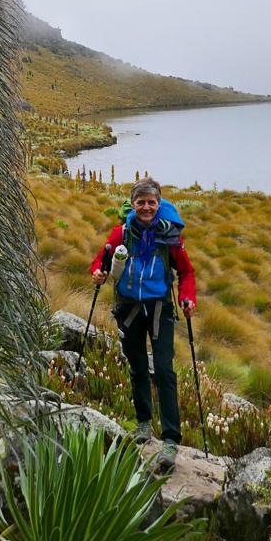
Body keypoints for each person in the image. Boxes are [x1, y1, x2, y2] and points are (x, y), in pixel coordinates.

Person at [90, 177, 196, 473]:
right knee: (137, 366)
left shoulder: (169, 236)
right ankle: (143, 425)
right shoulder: (122, 233)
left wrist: (187, 298)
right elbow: (101, 260)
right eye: (141, 202)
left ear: (158, 204)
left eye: (151, 202)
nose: (146, 207)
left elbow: (187, 272)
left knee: (163, 371)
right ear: (133, 204)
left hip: (160, 308)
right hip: (128, 308)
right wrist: (98, 272)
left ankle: (171, 440)